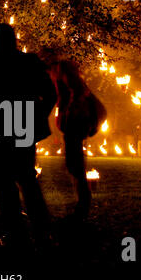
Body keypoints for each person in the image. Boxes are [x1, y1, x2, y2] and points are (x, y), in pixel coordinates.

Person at [0, 23, 57, 247]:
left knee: (4, 183)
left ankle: (16, 232)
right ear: (14, 40)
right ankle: (41, 231)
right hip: (20, 130)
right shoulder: (30, 63)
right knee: (27, 180)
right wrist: (35, 118)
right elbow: (50, 95)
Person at [48, 60, 106, 220]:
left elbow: (76, 96)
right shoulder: (66, 79)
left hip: (75, 127)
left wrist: (68, 115)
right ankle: (82, 205)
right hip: (74, 127)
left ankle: (83, 206)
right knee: (74, 166)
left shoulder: (69, 79)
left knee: (76, 166)